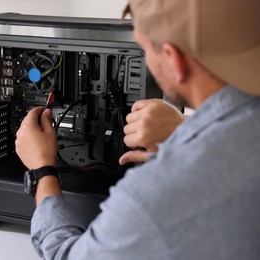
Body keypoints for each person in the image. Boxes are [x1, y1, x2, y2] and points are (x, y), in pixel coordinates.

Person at [15, 0, 260, 259]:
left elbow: (65, 254)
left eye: (144, 49)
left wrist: (41, 169)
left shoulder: (152, 199)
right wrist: (187, 134)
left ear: (173, 60)